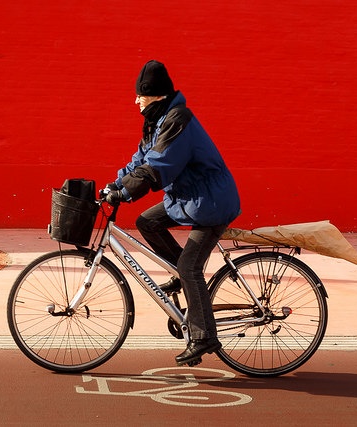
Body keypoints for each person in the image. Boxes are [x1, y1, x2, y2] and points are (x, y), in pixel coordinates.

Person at [105, 60, 241, 366]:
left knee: (190, 265)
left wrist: (125, 193)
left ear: (154, 95)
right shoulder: (158, 120)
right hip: (190, 198)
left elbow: (159, 165)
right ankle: (182, 277)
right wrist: (112, 186)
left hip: (211, 203)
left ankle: (204, 335)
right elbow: (141, 158)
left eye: (140, 94)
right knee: (147, 221)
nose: (135, 100)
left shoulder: (178, 120)